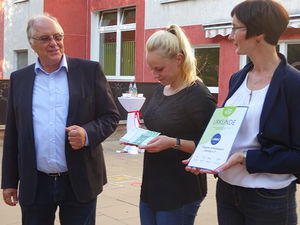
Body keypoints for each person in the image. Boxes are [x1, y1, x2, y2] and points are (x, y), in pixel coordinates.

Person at [185, 0, 300, 224]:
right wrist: (207, 155)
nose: (230, 35)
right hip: (228, 191)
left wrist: (246, 158)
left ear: (260, 33)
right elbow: (227, 128)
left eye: (236, 28)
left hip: (268, 196)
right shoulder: (238, 79)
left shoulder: (293, 84)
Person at [1, 14, 120, 225]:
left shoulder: (89, 71)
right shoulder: (20, 79)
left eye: (58, 36)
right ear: (31, 43)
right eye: (45, 38)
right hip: (35, 183)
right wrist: (9, 181)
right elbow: (13, 133)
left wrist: (87, 134)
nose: (54, 43)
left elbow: (111, 116)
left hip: (79, 181)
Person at [137, 24, 216, 225]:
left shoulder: (198, 94)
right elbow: (159, 125)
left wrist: (173, 142)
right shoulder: (161, 89)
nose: (155, 75)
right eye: (151, 69)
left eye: (159, 69)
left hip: (180, 191)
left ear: (179, 59)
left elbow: (213, 147)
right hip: (151, 187)